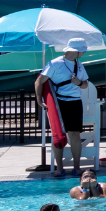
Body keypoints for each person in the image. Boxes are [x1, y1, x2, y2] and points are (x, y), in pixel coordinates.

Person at [35, 38, 92, 177]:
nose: (84, 52)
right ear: (76, 50)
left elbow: (85, 84)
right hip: (59, 103)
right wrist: (39, 100)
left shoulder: (79, 65)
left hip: (75, 102)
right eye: (83, 50)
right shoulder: (54, 64)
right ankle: (59, 168)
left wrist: (79, 83)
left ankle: (77, 167)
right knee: (58, 136)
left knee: (75, 135)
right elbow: (39, 81)